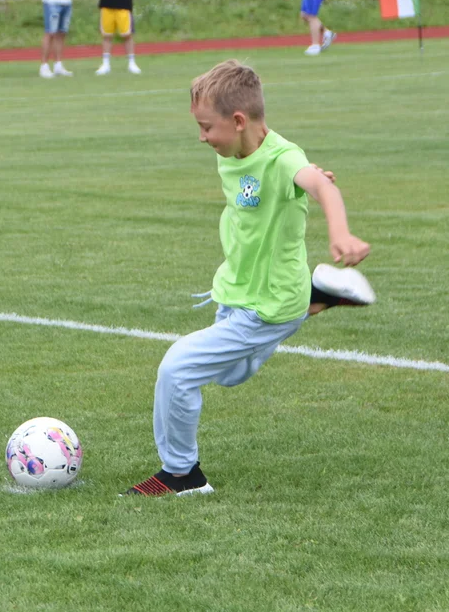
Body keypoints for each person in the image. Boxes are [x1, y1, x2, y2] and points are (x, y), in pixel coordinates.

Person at [125, 60, 374, 497]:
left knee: (178, 369)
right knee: (230, 373)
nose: (202, 138)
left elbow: (321, 186)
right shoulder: (237, 151)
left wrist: (339, 230)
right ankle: (315, 297)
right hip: (241, 293)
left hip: (267, 305)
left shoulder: (283, 158)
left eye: (207, 128)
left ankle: (182, 475)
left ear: (238, 121)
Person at [36, 0, 80, 78]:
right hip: (51, 0)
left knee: (61, 33)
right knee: (50, 32)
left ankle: (58, 64)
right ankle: (44, 65)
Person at [95, 0, 140, 75]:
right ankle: (105, 63)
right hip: (107, 3)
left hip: (124, 4)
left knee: (127, 34)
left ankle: (131, 62)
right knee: (107, 35)